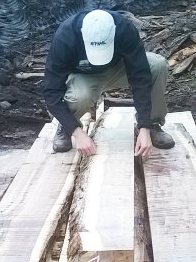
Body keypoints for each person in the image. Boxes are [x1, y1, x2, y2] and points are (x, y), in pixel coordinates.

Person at [43, 9, 175, 157]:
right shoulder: (65, 37)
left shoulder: (124, 28)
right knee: (80, 96)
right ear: (82, 34)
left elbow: (141, 75)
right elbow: (51, 90)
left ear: (114, 32)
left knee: (157, 65)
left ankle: (153, 122)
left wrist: (144, 127)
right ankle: (67, 126)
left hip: (118, 67)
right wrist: (78, 133)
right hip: (85, 75)